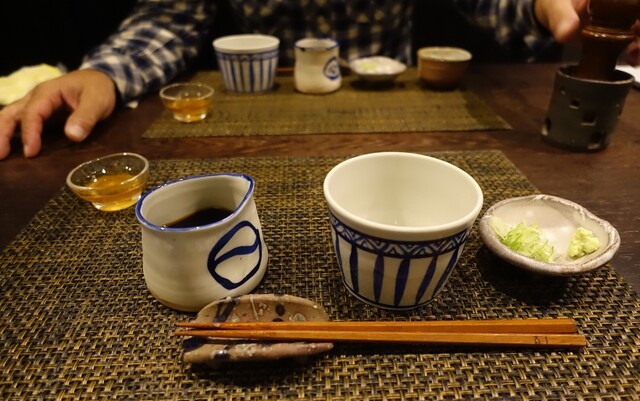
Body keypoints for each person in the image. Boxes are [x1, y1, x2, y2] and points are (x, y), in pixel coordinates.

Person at [0, 0, 636, 160]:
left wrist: (550, 7)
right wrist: (104, 73)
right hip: (253, 122)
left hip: (402, 120)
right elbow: (171, 17)